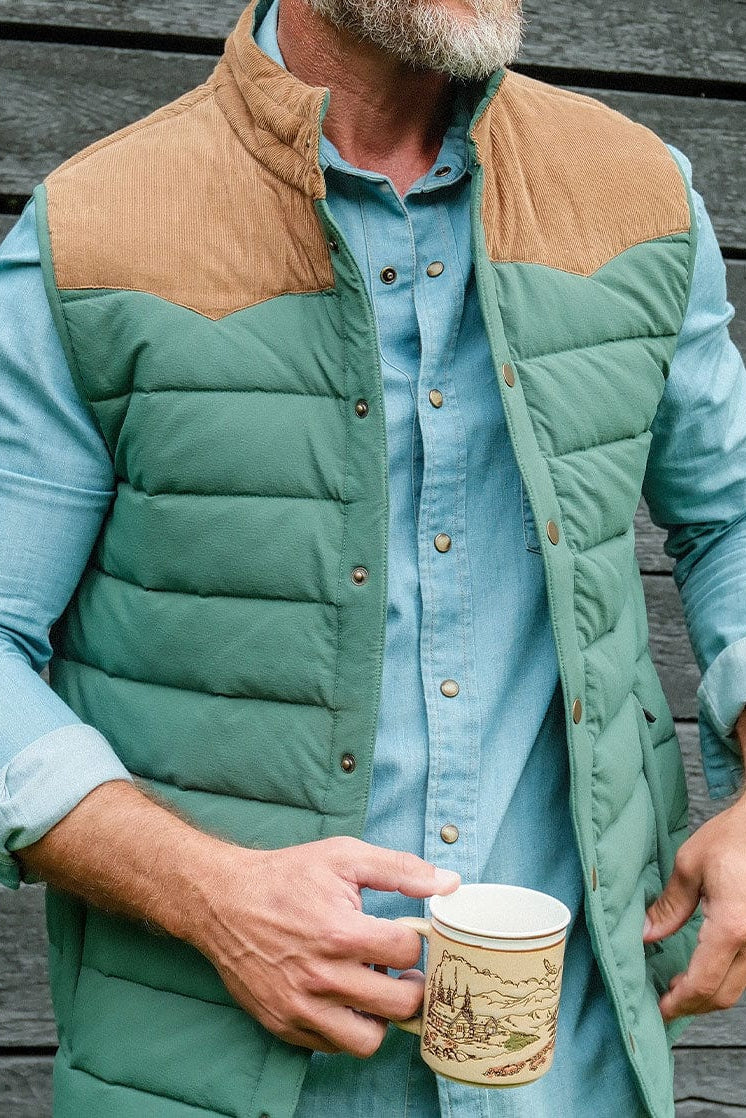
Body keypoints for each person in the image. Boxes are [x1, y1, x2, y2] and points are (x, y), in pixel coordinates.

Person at [1, 0, 745, 1114]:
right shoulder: (93, 233)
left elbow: (726, 516)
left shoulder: (636, 194)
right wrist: (211, 894)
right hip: (210, 1078)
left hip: (575, 1074)